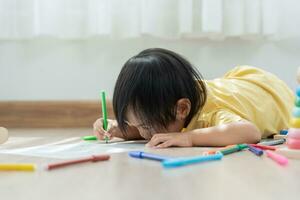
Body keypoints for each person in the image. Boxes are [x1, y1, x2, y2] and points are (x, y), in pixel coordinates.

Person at [93, 48, 294, 148]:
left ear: (182, 109)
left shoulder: (210, 115)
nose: (143, 134)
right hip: (239, 86)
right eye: (136, 124)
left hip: (273, 96)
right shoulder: (175, 100)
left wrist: (188, 137)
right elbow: (154, 129)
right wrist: (117, 128)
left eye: (146, 126)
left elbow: (250, 132)